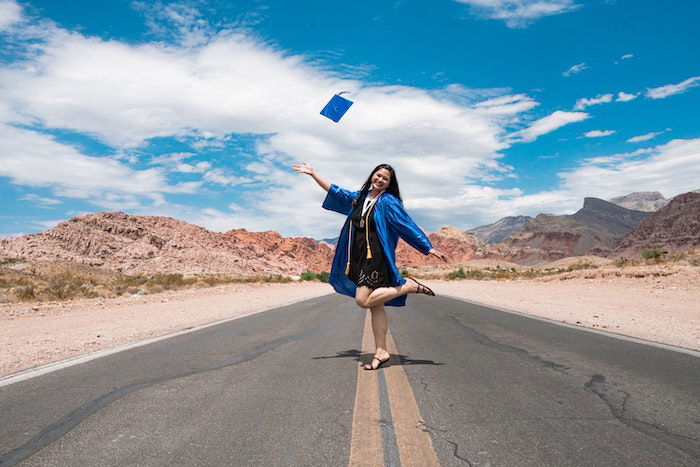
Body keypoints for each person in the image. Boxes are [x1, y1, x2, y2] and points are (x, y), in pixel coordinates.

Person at [292, 162, 447, 370]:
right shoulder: (359, 198)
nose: (380, 179)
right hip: (359, 258)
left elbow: (406, 224)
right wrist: (313, 174)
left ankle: (408, 286)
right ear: (372, 175)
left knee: (362, 300)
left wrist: (427, 247)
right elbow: (336, 191)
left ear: (389, 184)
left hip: (376, 257)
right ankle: (381, 351)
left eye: (385, 178)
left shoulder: (388, 202)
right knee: (376, 306)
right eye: (378, 175)